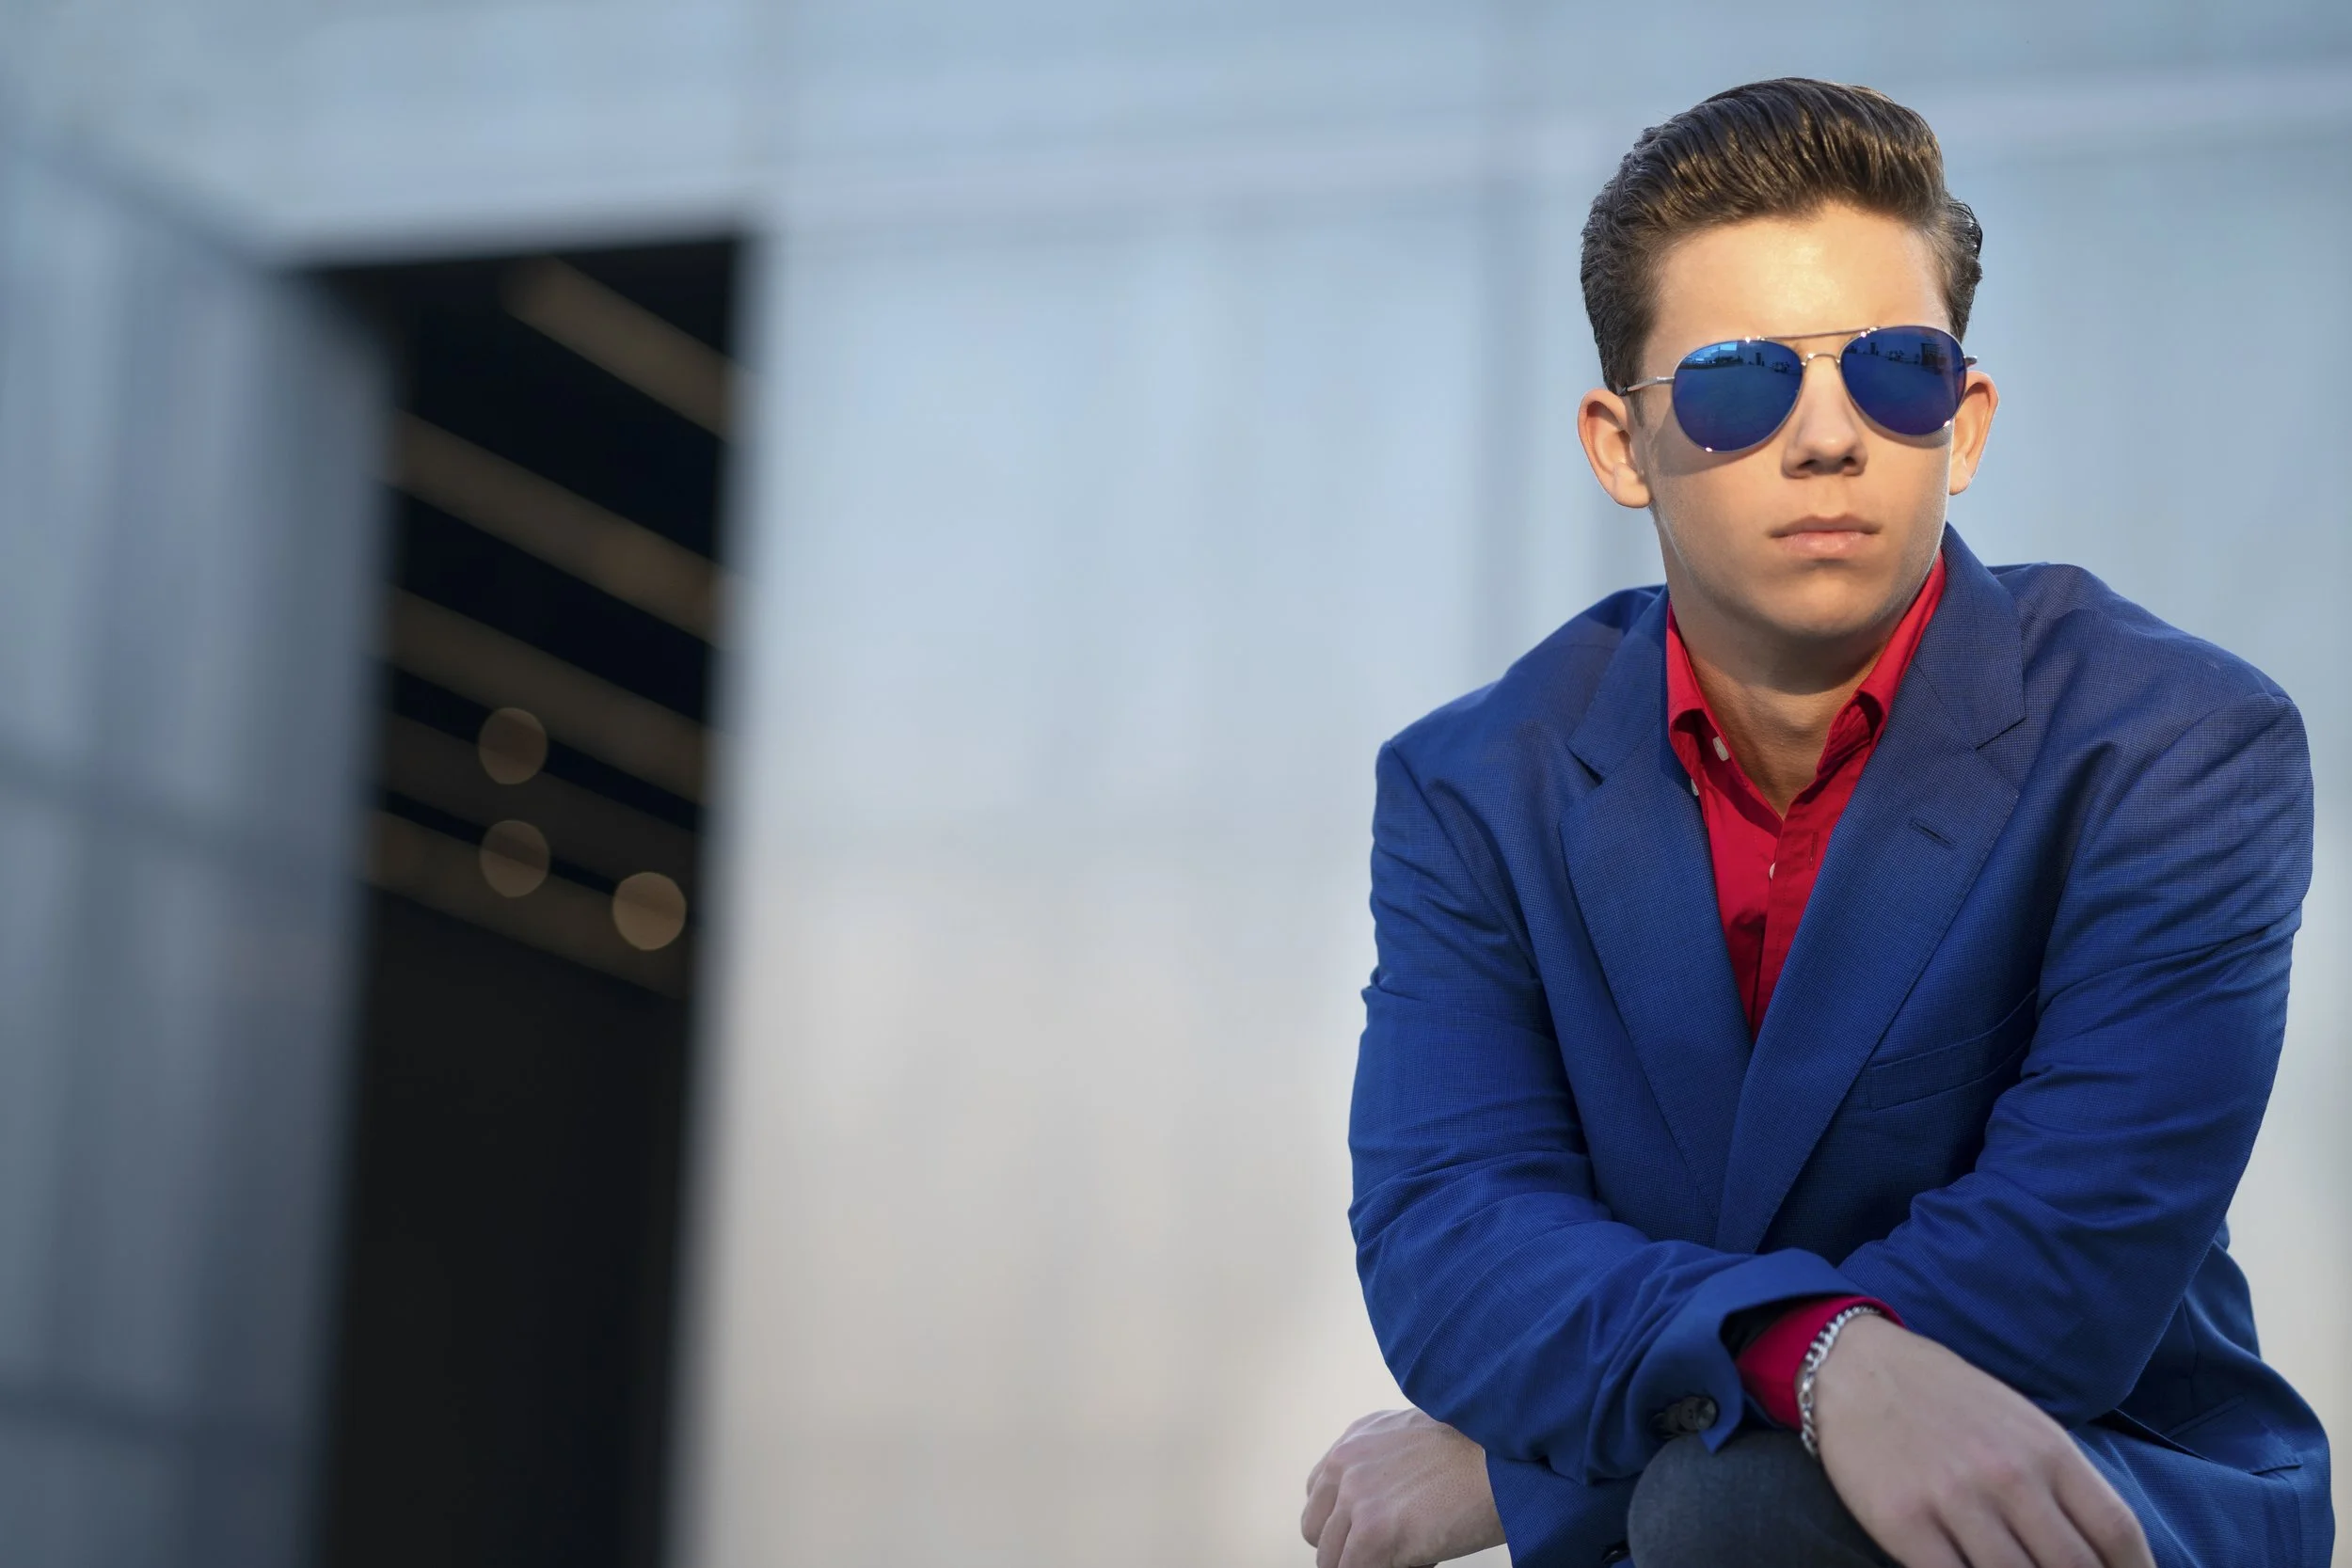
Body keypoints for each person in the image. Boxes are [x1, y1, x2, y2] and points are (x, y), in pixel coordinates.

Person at [1300, 78, 2331, 1568]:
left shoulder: (2172, 745)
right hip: (1726, 1502)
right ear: (1619, 446)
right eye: (1739, 383)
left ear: (1963, 423)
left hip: (2096, 1477)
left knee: (1734, 1499)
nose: (1833, 436)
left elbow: (2066, 1273)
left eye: (1898, 372)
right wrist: (1811, 1354)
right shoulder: (1477, 785)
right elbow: (1453, 1239)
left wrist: (1531, 1466)